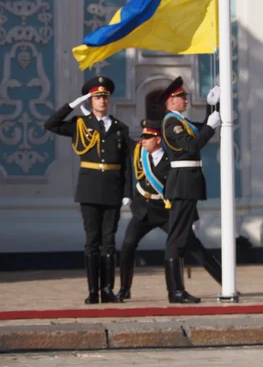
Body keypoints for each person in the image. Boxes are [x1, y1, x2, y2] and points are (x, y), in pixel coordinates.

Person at [44, 76, 132, 304]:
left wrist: (127, 192)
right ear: (90, 100)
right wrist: (72, 105)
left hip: (112, 190)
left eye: (104, 97)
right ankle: (93, 290)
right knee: (92, 241)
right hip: (90, 189)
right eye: (96, 97)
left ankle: (107, 289)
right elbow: (50, 124)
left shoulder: (120, 128)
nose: (101, 101)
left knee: (109, 241)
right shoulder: (81, 124)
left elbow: (126, 164)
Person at [117, 118, 222, 301]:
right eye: (143, 137)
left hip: (166, 210)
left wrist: (193, 216)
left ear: (158, 139)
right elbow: (124, 137)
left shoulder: (172, 158)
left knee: (194, 247)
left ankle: (224, 280)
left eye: (148, 137)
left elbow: (181, 188)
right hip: (143, 210)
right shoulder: (139, 152)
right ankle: (125, 288)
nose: (143, 140)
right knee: (127, 245)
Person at [161, 76, 221, 303]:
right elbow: (192, 145)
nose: (186, 99)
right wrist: (209, 126)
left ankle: (178, 290)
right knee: (176, 238)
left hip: (188, 183)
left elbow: (204, 127)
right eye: (181, 97)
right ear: (171, 100)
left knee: (181, 236)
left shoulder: (183, 122)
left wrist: (212, 104)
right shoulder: (171, 123)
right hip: (182, 183)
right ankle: (175, 291)